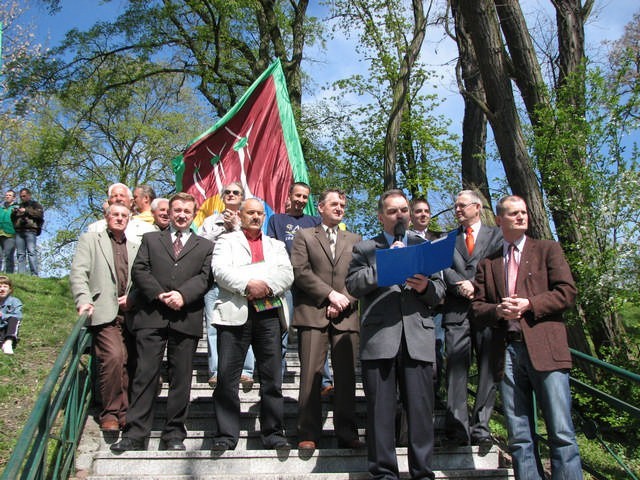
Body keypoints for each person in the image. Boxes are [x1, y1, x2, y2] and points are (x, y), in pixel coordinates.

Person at [471, 195, 582, 479]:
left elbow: (567, 293)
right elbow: (477, 308)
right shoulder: (489, 263)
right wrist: (498, 310)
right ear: (498, 220)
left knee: (561, 431)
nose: (521, 217)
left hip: (545, 349)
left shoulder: (547, 250)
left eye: (523, 212)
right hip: (506, 353)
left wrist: (530, 304)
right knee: (519, 435)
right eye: (513, 213)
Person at [346, 189, 445, 480]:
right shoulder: (366, 248)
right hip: (380, 340)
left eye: (404, 210)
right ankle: (384, 473)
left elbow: (439, 292)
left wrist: (425, 286)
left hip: (418, 339)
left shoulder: (424, 246)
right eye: (392, 211)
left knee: (421, 412)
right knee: (380, 412)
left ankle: (423, 472)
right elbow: (352, 285)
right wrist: (386, 263)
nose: (400, 215)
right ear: (380, 217)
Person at [111, 193, 213, 452]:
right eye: (177, 210)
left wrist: (182, 295)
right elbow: (140, 270)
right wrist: (158, 294)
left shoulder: (205, 246)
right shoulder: (151, 239)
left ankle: (174, 434)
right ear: (170, 211)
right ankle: (135, 433)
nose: (181, 215)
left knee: (181, 379)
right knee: (144, 375)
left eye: (186, 211)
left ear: (194, 214)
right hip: (151, 315)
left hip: (185, 316)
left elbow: (205, 278)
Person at [211, 198, 293, 451]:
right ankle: (226, 435)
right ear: (241, 215)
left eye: (260, 213)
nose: (256, 217)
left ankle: (273, 433)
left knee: (272, 378)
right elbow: (220, 271)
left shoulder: (276, 245)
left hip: (269, 314)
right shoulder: (226, 241)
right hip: (235, 314)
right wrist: (249, 285)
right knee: (227, 377)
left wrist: (266, 286)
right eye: (250, 213)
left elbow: (287, 274)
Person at [290, 189, 363, 451]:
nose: (339, 207)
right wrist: (330, 295)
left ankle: (347, 433)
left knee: (345, 377)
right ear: (319, 207)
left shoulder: (356, 239)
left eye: (342, 204)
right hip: (313, 314)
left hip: (346, 316)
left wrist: (343, 299)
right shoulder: (305, 236)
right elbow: (300, 271)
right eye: (334, 204)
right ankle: (307, 432)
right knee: (310, 375)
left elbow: (361, 276)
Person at [70, 203, 139, 431]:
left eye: (124, 215)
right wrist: (83, 300)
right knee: (113, 357)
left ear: (129, 219)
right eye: (115, 215)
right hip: (103, 310)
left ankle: (126, 411)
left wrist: (133, 298)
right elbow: (79, 272)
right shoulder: (90, 240)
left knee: (130, 360)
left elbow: (141, 279)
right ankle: (110, 412)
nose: (119, 218)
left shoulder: (136, 246)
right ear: (106, 217)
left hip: (130, 313)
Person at [441, 190, 502, 447]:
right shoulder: (447, 238)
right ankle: (457, 429)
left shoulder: (496, 236)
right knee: (455, 371)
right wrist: (458, 283)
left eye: (462, 205)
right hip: (456, 312)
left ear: (477, 208)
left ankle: (481, 428)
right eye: (455, 206)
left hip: (487, 310)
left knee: (488, 370)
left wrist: (477, 287)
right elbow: (442, 266)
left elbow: (501, 265)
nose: (457, 210)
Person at [267, 182, 333, 393]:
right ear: (290, 195)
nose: (301, 200)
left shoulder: (314, 221)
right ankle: (276, 376)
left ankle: (324, 380)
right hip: (285, 283)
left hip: (308, 282)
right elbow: (271, 247)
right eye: (298, 196)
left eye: (305, 197)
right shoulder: (276, 220)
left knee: (317, 329)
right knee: (282, 329)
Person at [197, 182, 255, 390]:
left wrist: (236, 228)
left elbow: (252, 246)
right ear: (222, 197)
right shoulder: (210, 221)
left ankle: (246, 370)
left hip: (240, 282)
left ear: (242, 198)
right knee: (213, 327)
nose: (231, 195)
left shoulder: (249, 219)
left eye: (236, 193)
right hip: (214, 282)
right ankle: (215, 370)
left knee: (244, 326)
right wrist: (222, 229)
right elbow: (200, 246)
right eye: (227, 192)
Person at [87, 183, 155, 244]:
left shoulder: (148, 229)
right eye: (115, 196)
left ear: (131, 202)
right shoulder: (95, 228)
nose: (118, 198)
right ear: (109, 202)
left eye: (122, 195)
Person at [11, 188, 44, 276]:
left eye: (24, 196)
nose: (22, 198)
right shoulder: (18, 206)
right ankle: (21, 274)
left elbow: (39, 215)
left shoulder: (36, 205)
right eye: (21, 196)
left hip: (30, 231)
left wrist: (26, 211)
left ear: (29, 195)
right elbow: (13, 219)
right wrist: (14, 213)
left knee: (31, 252)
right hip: (19, 231)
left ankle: (34, 274)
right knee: (20, 253)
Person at [0, 275, 23, 355]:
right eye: (0, 287)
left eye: (5, 286)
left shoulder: (15, 301)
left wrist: (2, 315)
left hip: (6, 328)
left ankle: (8, 343)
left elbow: (18, 316)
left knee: (14, 319)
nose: (2, 289)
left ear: (10, 289)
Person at [0, 190, 18, 273]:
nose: (7, 196)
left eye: (9, 195)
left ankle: (9, 274)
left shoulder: (16, 208)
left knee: (8, 255)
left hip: (10, 234)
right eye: (6, 195)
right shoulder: (1, 208)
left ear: (14, 198)